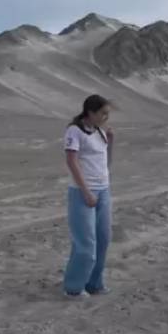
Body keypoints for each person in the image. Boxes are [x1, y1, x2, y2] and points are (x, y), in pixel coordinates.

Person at [63, 94, 114, 297]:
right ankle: (74, 288)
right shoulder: (74, 131)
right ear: (90, 112)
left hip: (103, 190)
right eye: (103, 113)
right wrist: (86, 192)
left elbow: (106, 163)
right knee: (86, 243)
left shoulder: (100, 132)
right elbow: (71, 161)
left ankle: (94, 283)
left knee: (103, 239)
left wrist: (111, 142)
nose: (106, 117)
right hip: (82, 192)